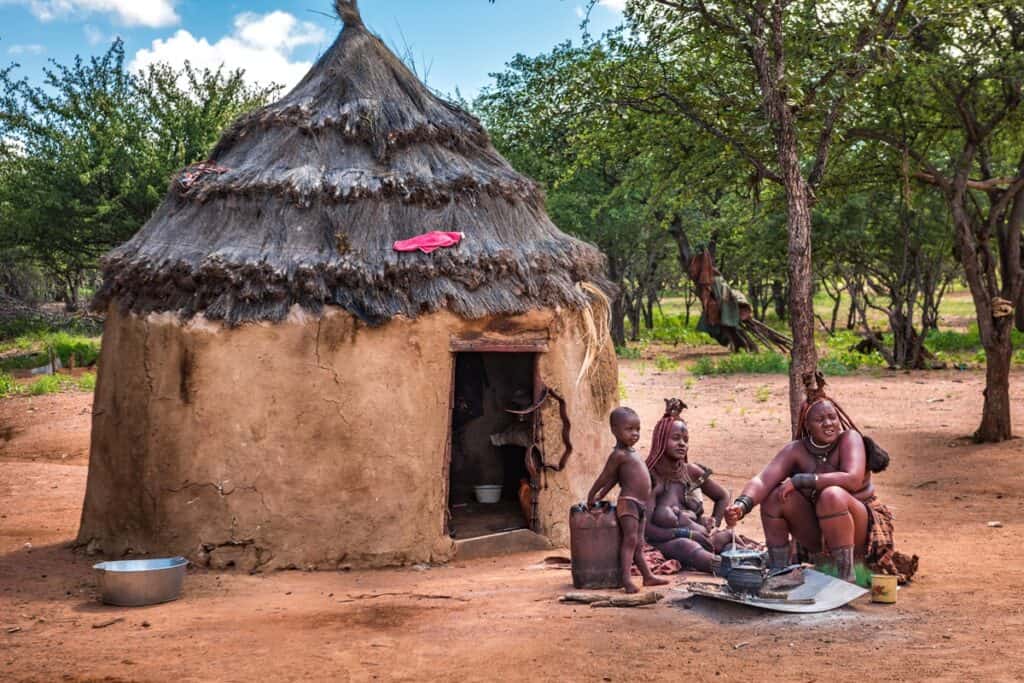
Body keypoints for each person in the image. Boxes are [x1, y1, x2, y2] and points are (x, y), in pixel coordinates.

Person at [724, 372, 916, 583]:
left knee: (831, 495)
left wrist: (801, 480)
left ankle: (846, 576)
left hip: (861, 531)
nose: (828, 423)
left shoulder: (850, 439)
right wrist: (741, 506)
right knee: (776, 497)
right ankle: (780, 573)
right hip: (819, 529)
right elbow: (762, 480)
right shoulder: (796, 450)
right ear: (808, 426)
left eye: (832, 417)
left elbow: (852, 479)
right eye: (820, 419)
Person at [642, 399, 758, 574]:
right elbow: (647, 530)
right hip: (669, 543)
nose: (682, 444)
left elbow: (722, 496)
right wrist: (687, 534)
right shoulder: (650, 478)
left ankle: (753, 566)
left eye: (685, 440)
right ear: (659, 441)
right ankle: (731, 570)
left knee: (728, 541)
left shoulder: (690, 472)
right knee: (686, 546)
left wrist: (714, 524)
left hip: (704, 538)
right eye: (676, 438)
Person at [587, 407, 670, 593]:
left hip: (641, 505)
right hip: (629, 503)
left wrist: (602, 495)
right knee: (630, 541)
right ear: (614, 430)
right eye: (629, 429)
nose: (635, 434)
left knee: (639, 543)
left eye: (637, 429)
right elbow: (605, 477)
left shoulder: (632, 453)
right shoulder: (618, 455)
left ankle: (647, 576)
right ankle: (626, 579)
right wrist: (592, 495)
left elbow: (616, 479)